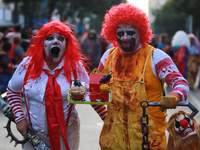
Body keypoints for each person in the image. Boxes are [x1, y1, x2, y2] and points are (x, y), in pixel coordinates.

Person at [96, 3, 189, 150]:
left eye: (130, 33)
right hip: (114, 140)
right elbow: (94, 94)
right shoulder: (108, 57)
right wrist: (108, 118)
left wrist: (175, 96)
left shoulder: (156, 57)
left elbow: (181, 83)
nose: (125, 38)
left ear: (141, 31)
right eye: (120, 33)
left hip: (149, 140)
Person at [6, 21, 90, 150]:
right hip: (33, 135)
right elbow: (12, 90)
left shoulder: (75, 66)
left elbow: (90, 94)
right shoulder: (27, 65)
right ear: (42, 43)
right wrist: (19, 118)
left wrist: (108, 118)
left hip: (67, 133)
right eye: (50, 38)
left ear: (67, 44)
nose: (55, 42)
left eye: (60, 38)